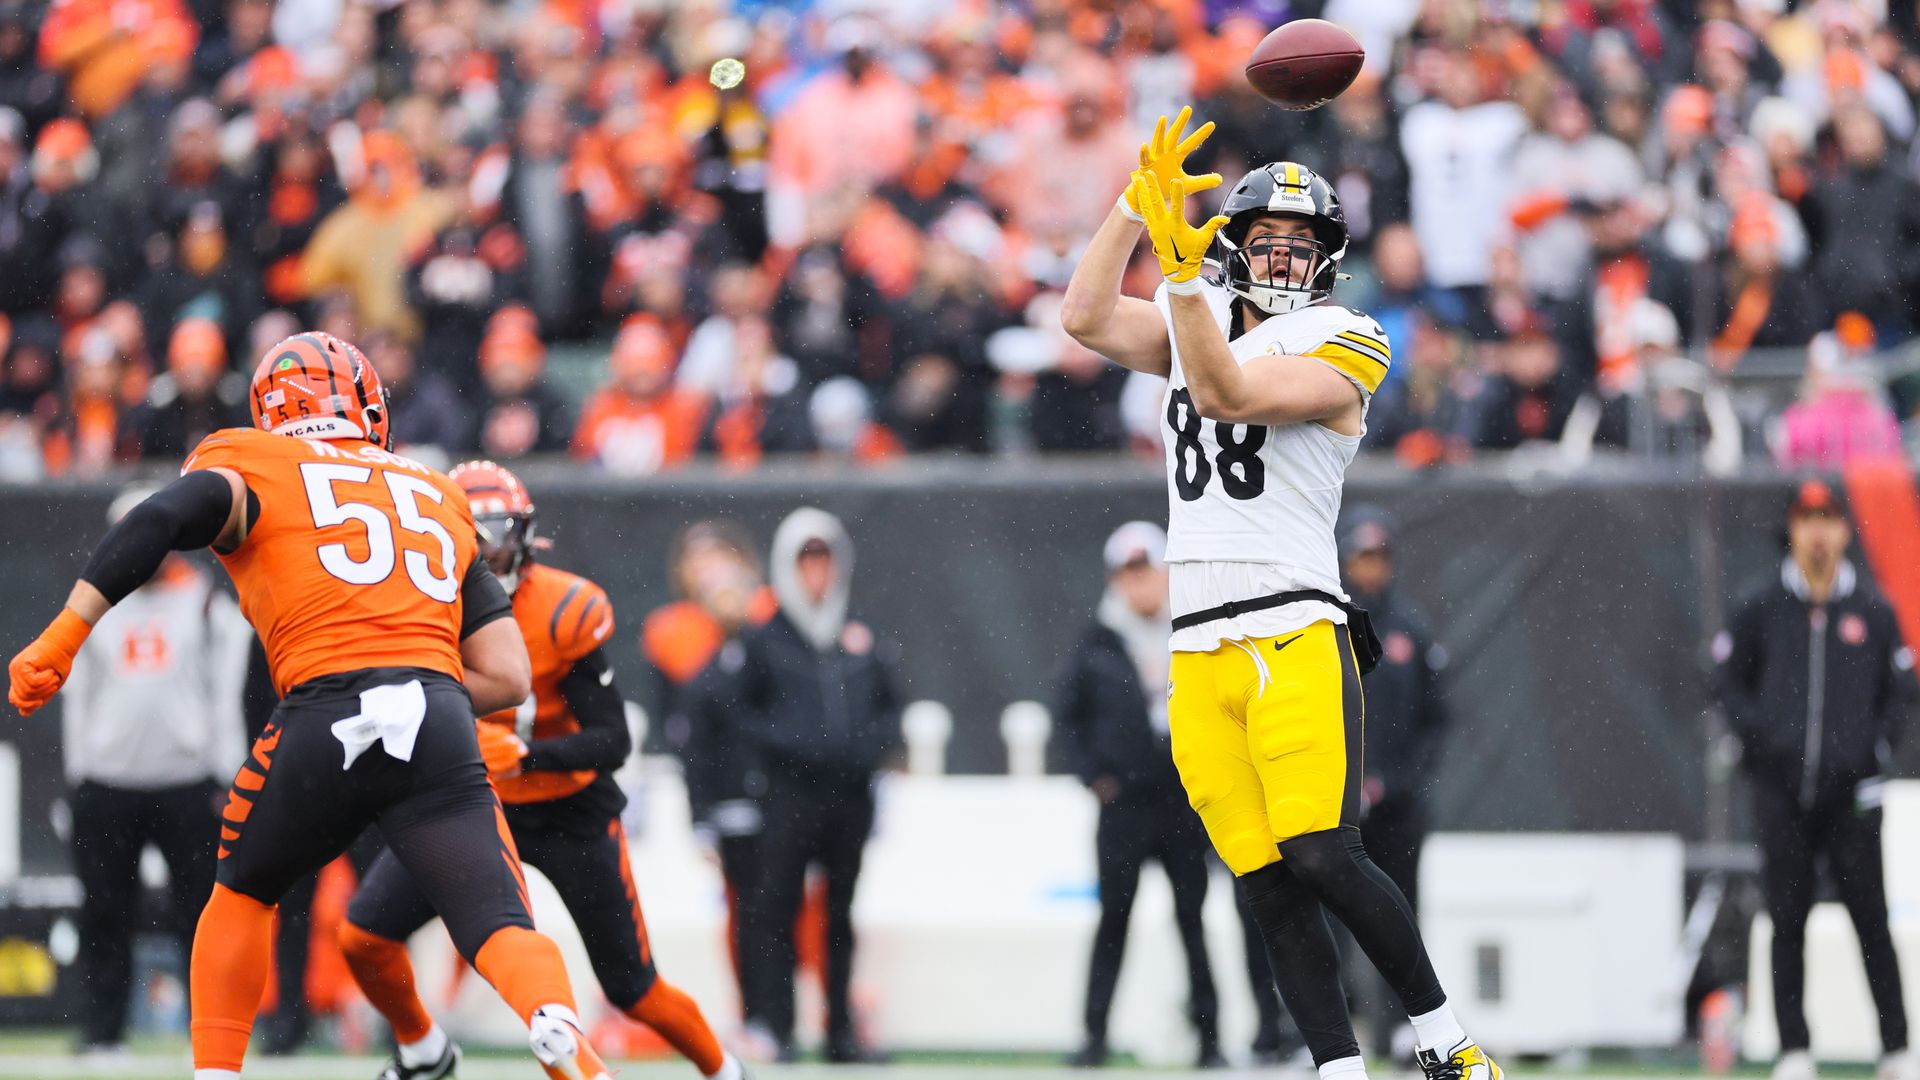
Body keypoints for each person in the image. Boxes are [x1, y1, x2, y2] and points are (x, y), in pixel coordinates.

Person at [6, 331, 614, 1080]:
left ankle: (217, 1072)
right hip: (435, 711)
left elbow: (156, 521)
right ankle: (552, 1019)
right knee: (496, 917)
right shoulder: (433, 490)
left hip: (323, 712)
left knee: (242, 891)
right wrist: (418, 686)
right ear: (366, 405)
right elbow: (510, 676)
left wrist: (66, 633)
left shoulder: (252, 459)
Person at [1060, 107, 1500, 1080]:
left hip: (1292, 630)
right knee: (1260, 878)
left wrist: (1179, 282)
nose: (1286, 260)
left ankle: (1449, 1045)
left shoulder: (1347, 339)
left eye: (1303, 246)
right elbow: (1085, 316)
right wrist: (1135, 213)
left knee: (1321, 851)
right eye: (1264, 241)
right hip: (1195, 645)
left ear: (1328, 260)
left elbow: (1226, 395)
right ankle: (1336, 1067)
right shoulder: (1196, 317)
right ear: (1233, 249)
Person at [340, 460, 743, 1080]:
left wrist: (528, 756)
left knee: (634, 989)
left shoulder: (562, 608)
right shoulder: (418, 609)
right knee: (364, 935)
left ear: (525, 538)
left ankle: (725, 1071)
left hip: (567, 809)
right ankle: (424, 1049)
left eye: (497, 536)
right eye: (467, 539)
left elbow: (611, 741)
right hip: (472, 803)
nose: (485, 555)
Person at [1715, 480, 1918, 1080]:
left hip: (1853, 796)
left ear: (1845, 529)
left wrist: (1872, 751)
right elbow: (1727, 683)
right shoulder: (1761, 606)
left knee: (1871, 922)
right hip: (1782, 793)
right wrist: (1764, 745)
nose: (1819, 531)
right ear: (1792, 528)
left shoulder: (1873, 612)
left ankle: (1897, 1048)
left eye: (1829, 518)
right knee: (1788, 919)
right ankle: (1796, 1049)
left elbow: (1901, 692)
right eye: (1808, 519)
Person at [701, 507, 901, 1062]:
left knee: (840, 915)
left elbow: (890, 706)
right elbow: (739, 713)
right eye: (806, 561)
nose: (817, 573)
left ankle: (840, 1031)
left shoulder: (860, 631)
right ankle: (777, 1026)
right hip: (789, 796)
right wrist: (796, 745)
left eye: (824, 560)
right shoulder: (768, 639)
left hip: (849, 796)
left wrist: (864, 748)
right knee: (775, 911)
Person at [60, 483, 249, 1058]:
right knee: (103, 912)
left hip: (188, 784)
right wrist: (81, 775)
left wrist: (227, 774)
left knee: (201, 918)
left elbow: (224, 697)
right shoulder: (93, 608)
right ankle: (102, 1032)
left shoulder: (207, 603)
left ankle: (207, 1034)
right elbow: (78, 695)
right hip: (108, 780)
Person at [1055, 521, 1221, 1069]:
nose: (1141, 584)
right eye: (1130, 573)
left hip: (1182, 802)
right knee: (1113, 921)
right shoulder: (1096, 642)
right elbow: (1067, 720)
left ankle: (1211, 1040)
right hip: (1123, 805)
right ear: (1115, 579)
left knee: (1192, 922)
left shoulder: (1196, 628)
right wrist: (1095, 777)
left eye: (1147, 570)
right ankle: (1094, 1037)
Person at [1338, 507, 1451, 1061]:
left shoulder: (1410, 627)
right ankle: (1332, 1037)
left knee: (1400, 913)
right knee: (1331, 916)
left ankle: (1410, 1031)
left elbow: (1435, 718)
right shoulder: (1325, 626)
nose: (1370, 569)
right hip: (1334, 803)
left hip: (1399, 807)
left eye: (1378, 557)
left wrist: (1397, 781)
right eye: (1361, 557)